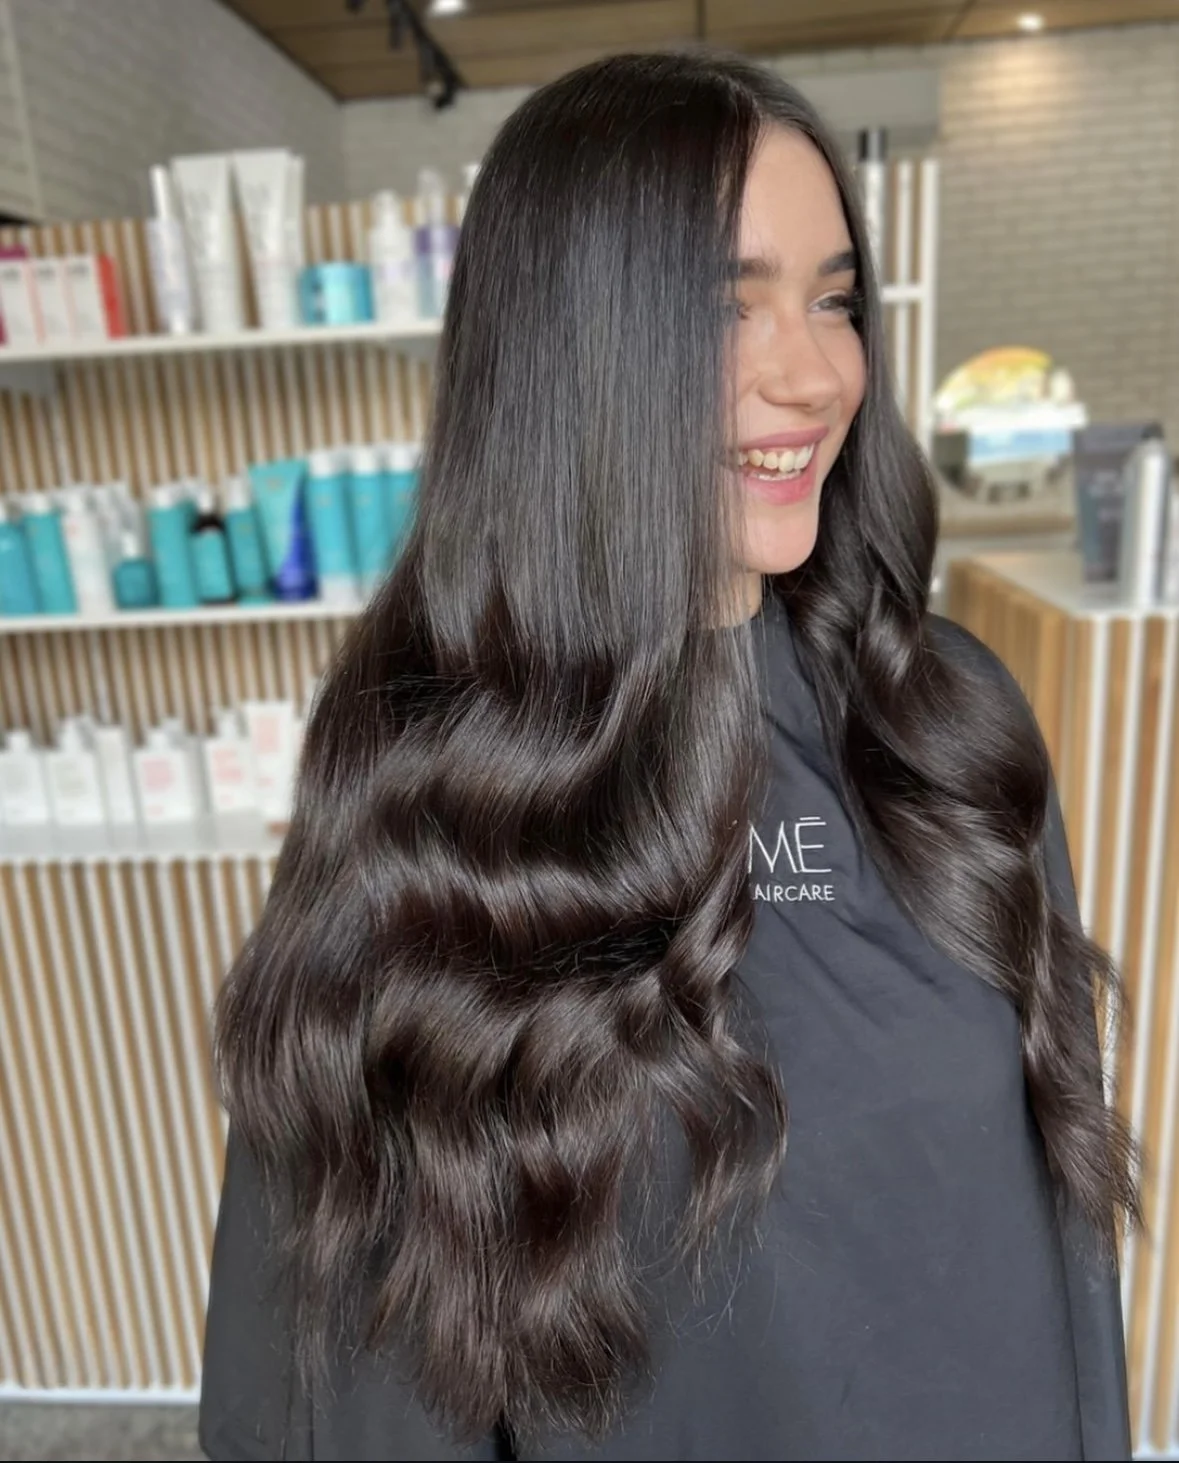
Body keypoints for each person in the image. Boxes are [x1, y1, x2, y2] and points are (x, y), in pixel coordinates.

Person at [199, 51, 1139, 1463]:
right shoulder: (425, 813)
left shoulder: (940, 723)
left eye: (832, 299)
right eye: (727, 305)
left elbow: (1056, 1233)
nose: (815, 370)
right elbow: (335, 1398)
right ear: (573, 352)